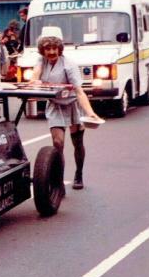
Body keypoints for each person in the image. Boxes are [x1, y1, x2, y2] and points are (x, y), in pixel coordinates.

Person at [30, 31, 100, 190]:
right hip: (55, 104)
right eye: (48, 48)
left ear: (59, 49)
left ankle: (78, 174)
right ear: (43, 50)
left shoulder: (69, 64)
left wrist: (90, 112)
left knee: (77, 142)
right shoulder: (41, 61)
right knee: (57, 143)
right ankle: (58, 180)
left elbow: (79, 91)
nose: (51, 52)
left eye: (55, 48)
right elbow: (34, 77)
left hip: (73, 103)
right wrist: (35, 82)